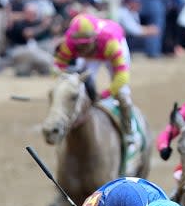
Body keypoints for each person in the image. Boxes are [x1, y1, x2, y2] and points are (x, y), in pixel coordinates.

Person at [51, 12, 136, 145]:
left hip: (109, 50)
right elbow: (57, 66)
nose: (82, 49)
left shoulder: (111, 43)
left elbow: (122, 76)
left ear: (95, 38)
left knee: (122, 93)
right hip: (95, 52)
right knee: (78, 87)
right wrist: (64, 83)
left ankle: (128, 130)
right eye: (79, 45)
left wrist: (106, 94)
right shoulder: (69, 43)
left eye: (85, 44)